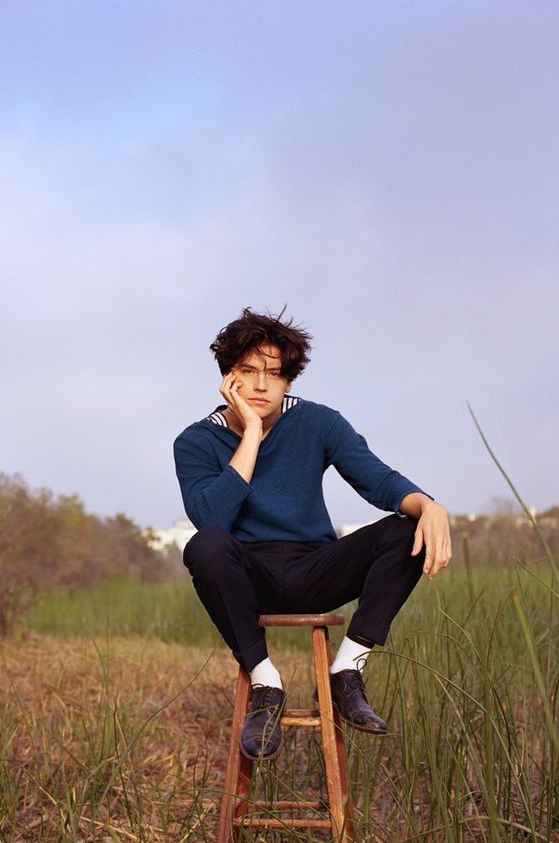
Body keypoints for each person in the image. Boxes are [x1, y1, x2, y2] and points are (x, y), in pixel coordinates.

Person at [173, 308, 451, 760]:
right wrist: (252, 433)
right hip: (249, 576)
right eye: (248, 371)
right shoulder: (195, 441)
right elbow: (213, 520)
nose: (261, 385)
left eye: (274, 374)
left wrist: (428, 505)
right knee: (204, 545)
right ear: (228, 377)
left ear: (288, 381)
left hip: (316, 569)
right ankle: (266, 682)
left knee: (406, 530)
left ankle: (347, 670)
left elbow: (377, 479)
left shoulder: (318, 422)